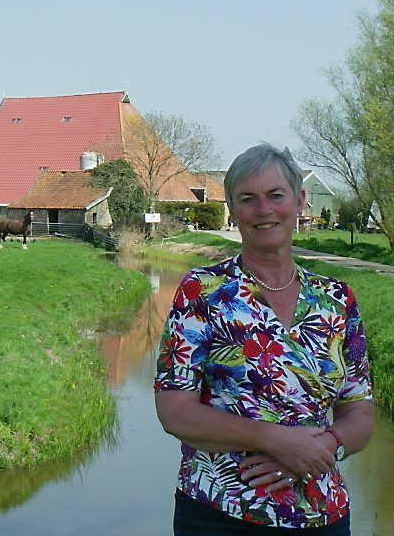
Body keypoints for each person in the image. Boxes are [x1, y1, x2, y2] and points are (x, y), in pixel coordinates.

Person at [154, 143, 374, 535]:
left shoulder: (337, 300)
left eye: (275, 195)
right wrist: (275, 440)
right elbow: (174, 409)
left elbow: (360, 412)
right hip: (221, 515)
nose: (264, 209)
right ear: (233, 210)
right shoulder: (201, 292)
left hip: (322, 512)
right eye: (248, 199)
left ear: (300, 200)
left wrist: (323, 448)